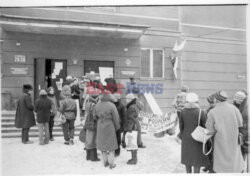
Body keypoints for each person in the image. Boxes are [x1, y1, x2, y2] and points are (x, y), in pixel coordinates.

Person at [206, 90, 244, 173]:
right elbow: (240, 123)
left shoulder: (213, 112)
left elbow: (209, 129)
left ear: (217, 99)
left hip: (220, 141)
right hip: (233, 139)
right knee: (234, 161)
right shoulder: (234, 108)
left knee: (221, 164)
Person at [179, 92, 210, 173]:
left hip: (186, 138)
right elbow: (206, 127)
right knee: (197, 161)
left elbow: (181, 127)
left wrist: (183, 136)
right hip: (198, 139)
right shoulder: (201, 112)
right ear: (197, 101)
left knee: (187, 160)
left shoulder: (183, 111)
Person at [94, 91, 120, 169]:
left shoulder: (97, 105)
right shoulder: (112, 105)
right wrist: (117, 127)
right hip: (110, 126)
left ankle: (105, 162)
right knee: (111, 146)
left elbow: (94, 117)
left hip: (100, 125)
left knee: (103, 145)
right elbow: (116, 118)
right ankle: (111, 164)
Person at [84, 88, 100, 162]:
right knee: (93, 139)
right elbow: (95, 116)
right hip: (93, 124)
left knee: (88, 139)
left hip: (87, 122)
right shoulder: (94, 105)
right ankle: (93, 157)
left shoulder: (87, 102)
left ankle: (88, 156)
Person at [233, 91, 248, 164]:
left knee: (241, 159)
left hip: (243, 139)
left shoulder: (245, 111)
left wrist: (241, 140)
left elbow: (244, 128)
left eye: (235, 100)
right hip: (242, 138)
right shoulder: (242, 107)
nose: (234, 102)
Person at [203, 93, 216, 173]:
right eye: (209, 102)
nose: (210, 104)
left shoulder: (215, 110)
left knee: (212, 151)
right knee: (207, 149)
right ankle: (207, 166)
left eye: (211, 102)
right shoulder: (210, 108)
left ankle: (211, 168)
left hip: (213, 133)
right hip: (208, 131)